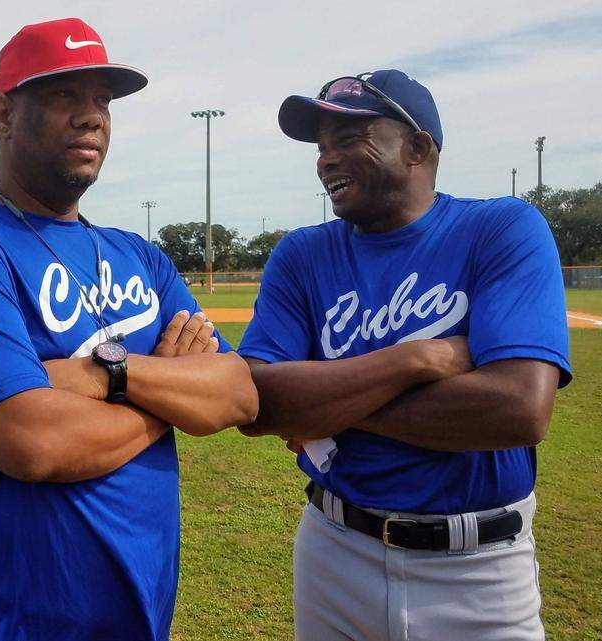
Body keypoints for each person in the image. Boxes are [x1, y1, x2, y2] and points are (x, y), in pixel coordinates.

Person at [0, 18, 258, 641]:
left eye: (103, 102)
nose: (93, 118)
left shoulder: (141, 256)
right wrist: (173, 398)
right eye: (64, 96)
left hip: (138, 610)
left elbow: (238, 393)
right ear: (4, 114)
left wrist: (110, 373)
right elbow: (34, 443)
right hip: (1, 616)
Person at [238, 70, 571, 640]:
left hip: (481, 570)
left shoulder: (500, 228)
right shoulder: (301, 254)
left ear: (418, 147)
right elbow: (256, 403)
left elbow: (516, 410)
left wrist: (321, 398)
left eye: (349, 139)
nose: (327, 160)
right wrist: (412, 362)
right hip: (333, 551)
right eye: (322, 147)